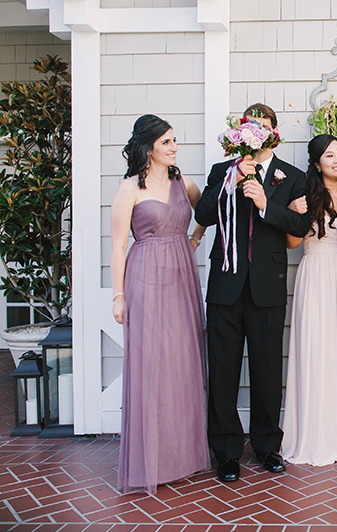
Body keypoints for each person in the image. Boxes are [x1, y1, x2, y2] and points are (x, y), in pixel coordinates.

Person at [194, 103, 310, 482]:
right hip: (225, 287)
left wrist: (265, 203)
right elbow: (204, 215)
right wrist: (232, 178)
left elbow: (299, 224)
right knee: (223, 372)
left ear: (274, 131)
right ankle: (226, 452)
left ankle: (266, 446)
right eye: (249, 126)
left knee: (265, 371)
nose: (255, 131)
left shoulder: (291, 177)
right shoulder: (220, 171)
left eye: (262, 126)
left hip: (267, 287)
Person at [110, 114, 210, 493]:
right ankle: (150, 458)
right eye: (167, 141)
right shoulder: (129, 188)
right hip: (145, 277)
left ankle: (181, 457)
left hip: (182, 277)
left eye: (174, 141)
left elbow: (205, 214)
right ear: (148, 147)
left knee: (182, 363)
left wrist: (195, 240)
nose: (174, 147)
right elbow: (118, 246)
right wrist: (118, 296)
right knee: (152, 366)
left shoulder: (185, 184)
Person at [280, 134, 337, 465]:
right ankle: (316, 432)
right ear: (316, 163)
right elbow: (292, 243)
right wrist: (290, 211)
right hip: (316, 275)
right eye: (330, 155)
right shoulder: (307, 194)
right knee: (318, 351)